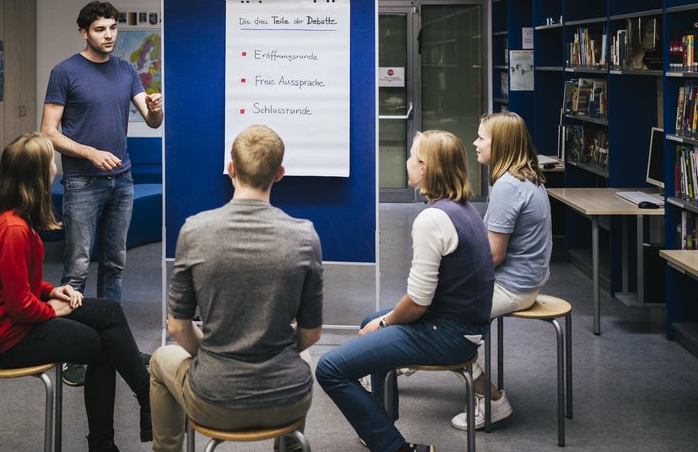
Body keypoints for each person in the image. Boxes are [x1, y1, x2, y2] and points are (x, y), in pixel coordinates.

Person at [0, 133, 153, 452]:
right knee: (101, 346)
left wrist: (53, 290)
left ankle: (145, 399)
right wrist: (53, 308)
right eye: (51, 162)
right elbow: (20, 307)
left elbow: (16, 282)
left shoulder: (7, 216)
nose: (55, 167)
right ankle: (114, 433)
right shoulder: (14, 230)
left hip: (2, 325)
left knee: (107, 310)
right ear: (38, 175)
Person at [316, 130, 494, 452]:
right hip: (466, 327)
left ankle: (393, 446)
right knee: (372, 318)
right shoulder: (464, 209)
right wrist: (380, 321)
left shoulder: (432, 219)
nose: (407, 161)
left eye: (413, 156)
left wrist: (384, 324)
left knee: (330, 368)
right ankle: (381, 424)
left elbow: (417, 303)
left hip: (448, 335)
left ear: (425, 168)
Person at [149, 125, 323, 452]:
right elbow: (311, 334)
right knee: (306, 356)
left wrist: (217, 356)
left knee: (159, 361)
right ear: (280, 174)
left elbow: (177, 326)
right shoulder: (304, 236)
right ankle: (290, 448)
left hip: (215, 400)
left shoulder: (195, 231)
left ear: (231, 169)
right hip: (288, 400)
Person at [41, 0, 163, 386]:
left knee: (115, 265)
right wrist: (90, 152)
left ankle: (116, 343)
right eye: (100, 29)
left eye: (112, 28)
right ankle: (68, 350)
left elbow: (152, 119)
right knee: (76, 267)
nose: (109, 35)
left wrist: (158, 108)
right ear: (84, 32)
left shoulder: (127, 70)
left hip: (122, 181)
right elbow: (48, 132)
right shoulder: (64, 72)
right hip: (82, 181)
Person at [452, 112, 552, 430]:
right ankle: (394, 367)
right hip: (527, 283)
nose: (475, 143)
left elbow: (493, 255)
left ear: (502, 145)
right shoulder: (527, 178)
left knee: (439, 325)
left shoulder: (507, 186)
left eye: (482, 137)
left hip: (511, 287)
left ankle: (493, 400)